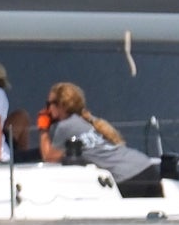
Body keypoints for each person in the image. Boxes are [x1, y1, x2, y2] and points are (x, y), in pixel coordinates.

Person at [38, 81, 169, 198]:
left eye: (49, 104)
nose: (47, 109)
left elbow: (49, 157)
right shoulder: (87, 120)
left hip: (127, 177)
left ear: (61, 105)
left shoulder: (65, 126)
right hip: (145, 167)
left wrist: (43, 128)